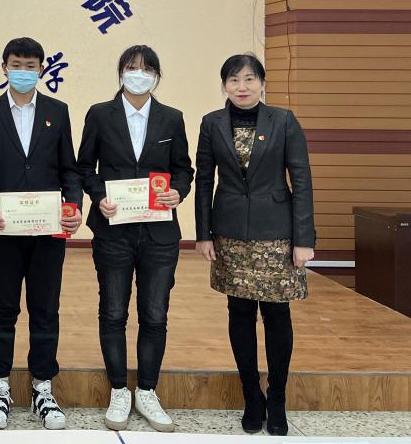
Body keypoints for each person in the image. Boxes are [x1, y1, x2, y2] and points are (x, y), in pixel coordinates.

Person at [194, 53, 315, 436]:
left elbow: (301, 179)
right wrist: (203, 233)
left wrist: (304, 239)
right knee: (240, 313)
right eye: (233, 80)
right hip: (230, 233)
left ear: (262, 83)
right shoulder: (211, 123)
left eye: (249, 79)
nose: (241, 87)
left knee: (277, 315)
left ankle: (276, 397)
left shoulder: (284, 120)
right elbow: (204, 180)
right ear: (224, 86)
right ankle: (251, 395)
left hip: (277, 233)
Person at [76, 45, 194, 433]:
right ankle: (118, 391)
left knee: (155, 313)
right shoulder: (99, 114)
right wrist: (99, 196)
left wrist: (177, 191)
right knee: (113, 311)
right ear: (120, 73)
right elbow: (84, 167)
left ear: (157, 76)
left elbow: (183, 170)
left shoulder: (171, 118)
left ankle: (146, 390)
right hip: (113, 230)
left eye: (146, 70)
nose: (138, 75)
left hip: (159, 233)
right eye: (131, 68)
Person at [0, 37, 83, 431]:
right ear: (4, 67)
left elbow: (69, 169)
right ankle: (0, 385)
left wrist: (73, 207)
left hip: (48, 232)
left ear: (41, 69)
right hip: (2, 230)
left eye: (30, 65)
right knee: (1, 308)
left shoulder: (57, 111)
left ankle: (42, 387)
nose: (23, 71)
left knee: (45, 308)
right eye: (16, 64)